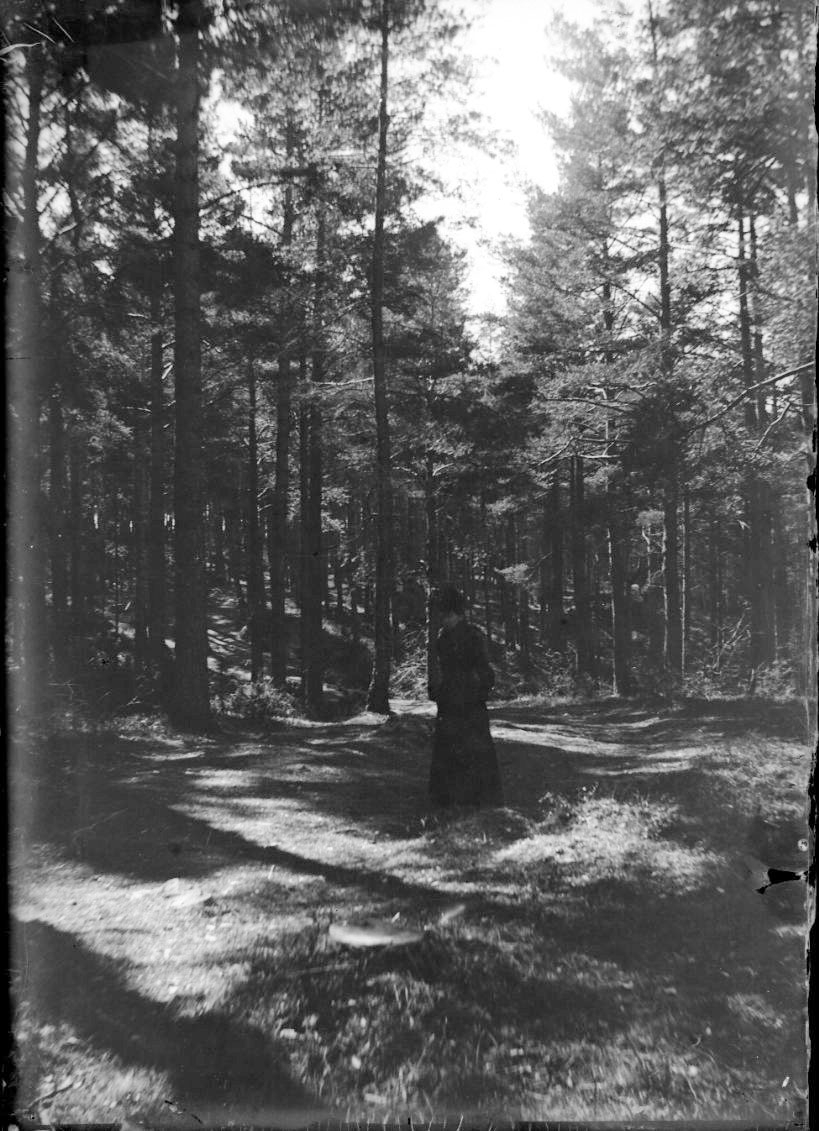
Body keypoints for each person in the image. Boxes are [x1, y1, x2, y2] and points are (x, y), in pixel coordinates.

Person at [428, 584, 503, 807]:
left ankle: (478, 799)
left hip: (469, 700)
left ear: (457, 614)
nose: (444, 620)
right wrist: (439, 690)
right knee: (449, 749)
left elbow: (484, 669)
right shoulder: (443, 638)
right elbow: (442, 669)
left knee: (474, 749)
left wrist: (479, 691)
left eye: (447, 615)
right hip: (451, 700)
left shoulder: (472, 636)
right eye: (443, 615)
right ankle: (448, 799)